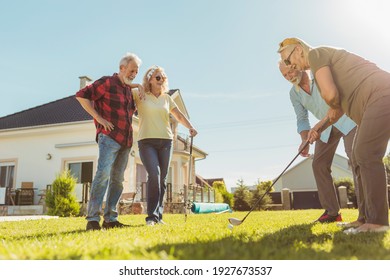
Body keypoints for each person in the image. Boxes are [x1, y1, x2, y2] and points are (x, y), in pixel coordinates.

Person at [278, 37, 390, 233]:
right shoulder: (296, 92)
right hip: (345, 117)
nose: (290, 69)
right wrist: (313, 132)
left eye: (288, 62)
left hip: (364, 107)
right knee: (343, 158)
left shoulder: (316, 58)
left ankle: (373, 220)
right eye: (285, 71)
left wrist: (323, 119)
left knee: (362, 156)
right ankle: (351, 216)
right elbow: (324, 112)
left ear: (298, 50)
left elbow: (332, 98)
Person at [278, 61, 362, 225]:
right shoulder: (294, 94)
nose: (289, 77)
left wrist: (319, 126)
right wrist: (304, 140)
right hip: (326, 128)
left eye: (290, 71)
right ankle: (332, 213)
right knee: (319, 164)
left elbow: (339, 100)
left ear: (298, 66)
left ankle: (366, 214)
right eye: (285, 75)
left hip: (347, 119)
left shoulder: (319, 76)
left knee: (357, 161)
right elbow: (302, 118)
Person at [76, 52, 143, 231]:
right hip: (109, 137)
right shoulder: (107, 82)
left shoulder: (129, 90)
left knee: (118, 180)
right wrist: (99, 118)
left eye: (136, 72)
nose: (134, 74)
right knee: (103, 175)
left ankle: (111, 219)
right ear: (122, 68)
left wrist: (137, 85)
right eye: (132, 70)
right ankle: (92, 219)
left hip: (126, 140)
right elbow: (82, 95)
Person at [133, 65, 198, 226]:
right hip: (146, 141)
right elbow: (124, 86)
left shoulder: (167, 98)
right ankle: (151, 217)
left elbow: (178, 115)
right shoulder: (140, 94)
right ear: (149, 79)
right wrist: (136, 85)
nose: (161, 80)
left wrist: (190, 126)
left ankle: (158, 216)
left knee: (162, 179)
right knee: (154, 175)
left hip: (166, 142)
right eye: (158, 77)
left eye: (163, 77)